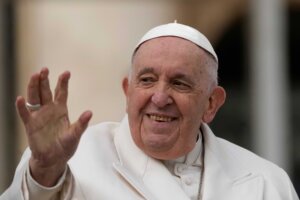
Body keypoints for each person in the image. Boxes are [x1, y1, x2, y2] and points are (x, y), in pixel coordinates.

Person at [0, 22, 299, 200]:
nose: (159, 97)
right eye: (147, 80)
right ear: (127, 91)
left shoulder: (265, 181)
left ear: (211, 103)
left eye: (179, 83)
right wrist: (44, 171)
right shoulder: (72, 160)